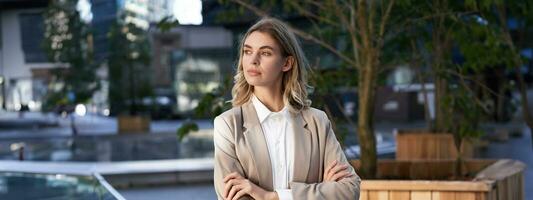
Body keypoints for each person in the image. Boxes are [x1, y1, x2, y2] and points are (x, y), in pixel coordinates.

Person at [213, 17, 361, 200]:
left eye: (265, 53)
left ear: (287, 63)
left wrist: (270, 196)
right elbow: (232, 196)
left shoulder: (317, 121)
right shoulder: (228, 125)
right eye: (247, 51)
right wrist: (320, 190)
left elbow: (349, 190)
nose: (253, 60)